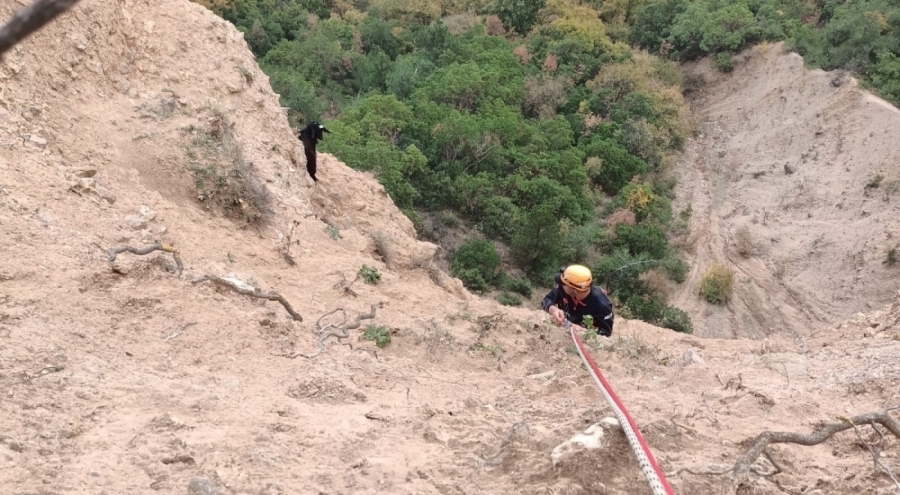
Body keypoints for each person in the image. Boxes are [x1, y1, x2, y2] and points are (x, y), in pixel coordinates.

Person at [541, 264, 614, 337]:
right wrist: (554, 310)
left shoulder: (602, 305)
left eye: (563, 283)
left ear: (573, 290)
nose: (561, 284)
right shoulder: (562, 289)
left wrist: (580, 330)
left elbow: (606, 333)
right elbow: (546, 300)